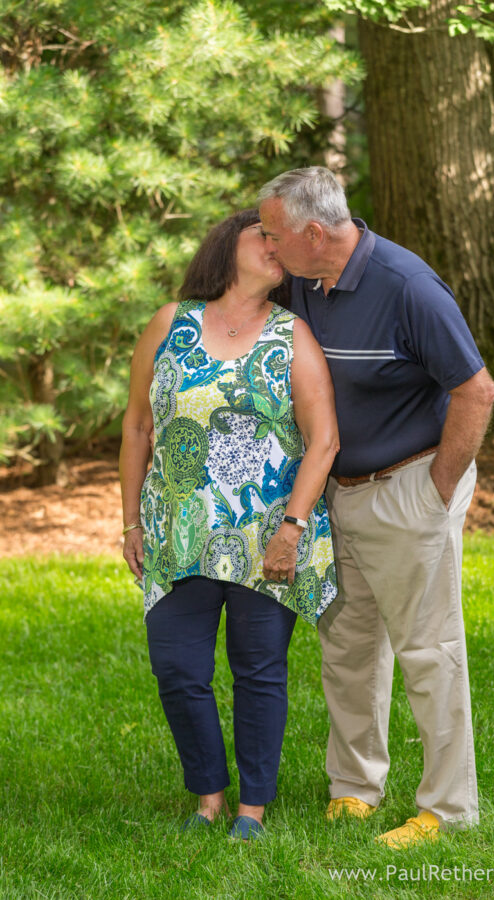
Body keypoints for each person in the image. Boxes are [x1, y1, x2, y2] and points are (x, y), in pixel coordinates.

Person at [258, 167, 494, 848]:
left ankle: (448, 809)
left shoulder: (407, 285)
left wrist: (436, 489)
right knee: (348, 646)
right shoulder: (303, 281)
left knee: (428, 649)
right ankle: (355, 789)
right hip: (338, 492)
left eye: (275, 234)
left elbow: (477, 391)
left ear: (312, 231)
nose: (268, 248)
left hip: (409, 490)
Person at [119, 208, 339, 841]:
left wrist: (292, 529)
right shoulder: (171, 323)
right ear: (226, 248)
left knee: (258, 669)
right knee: (179, 670)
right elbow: (137, 425)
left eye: (280, 240)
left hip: (266, 535)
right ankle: (208, 794)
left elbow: (323, 441)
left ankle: (253, 808)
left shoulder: (292, 334)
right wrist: (130, 521)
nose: (277, 247)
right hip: (175, 533)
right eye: (262, 237)